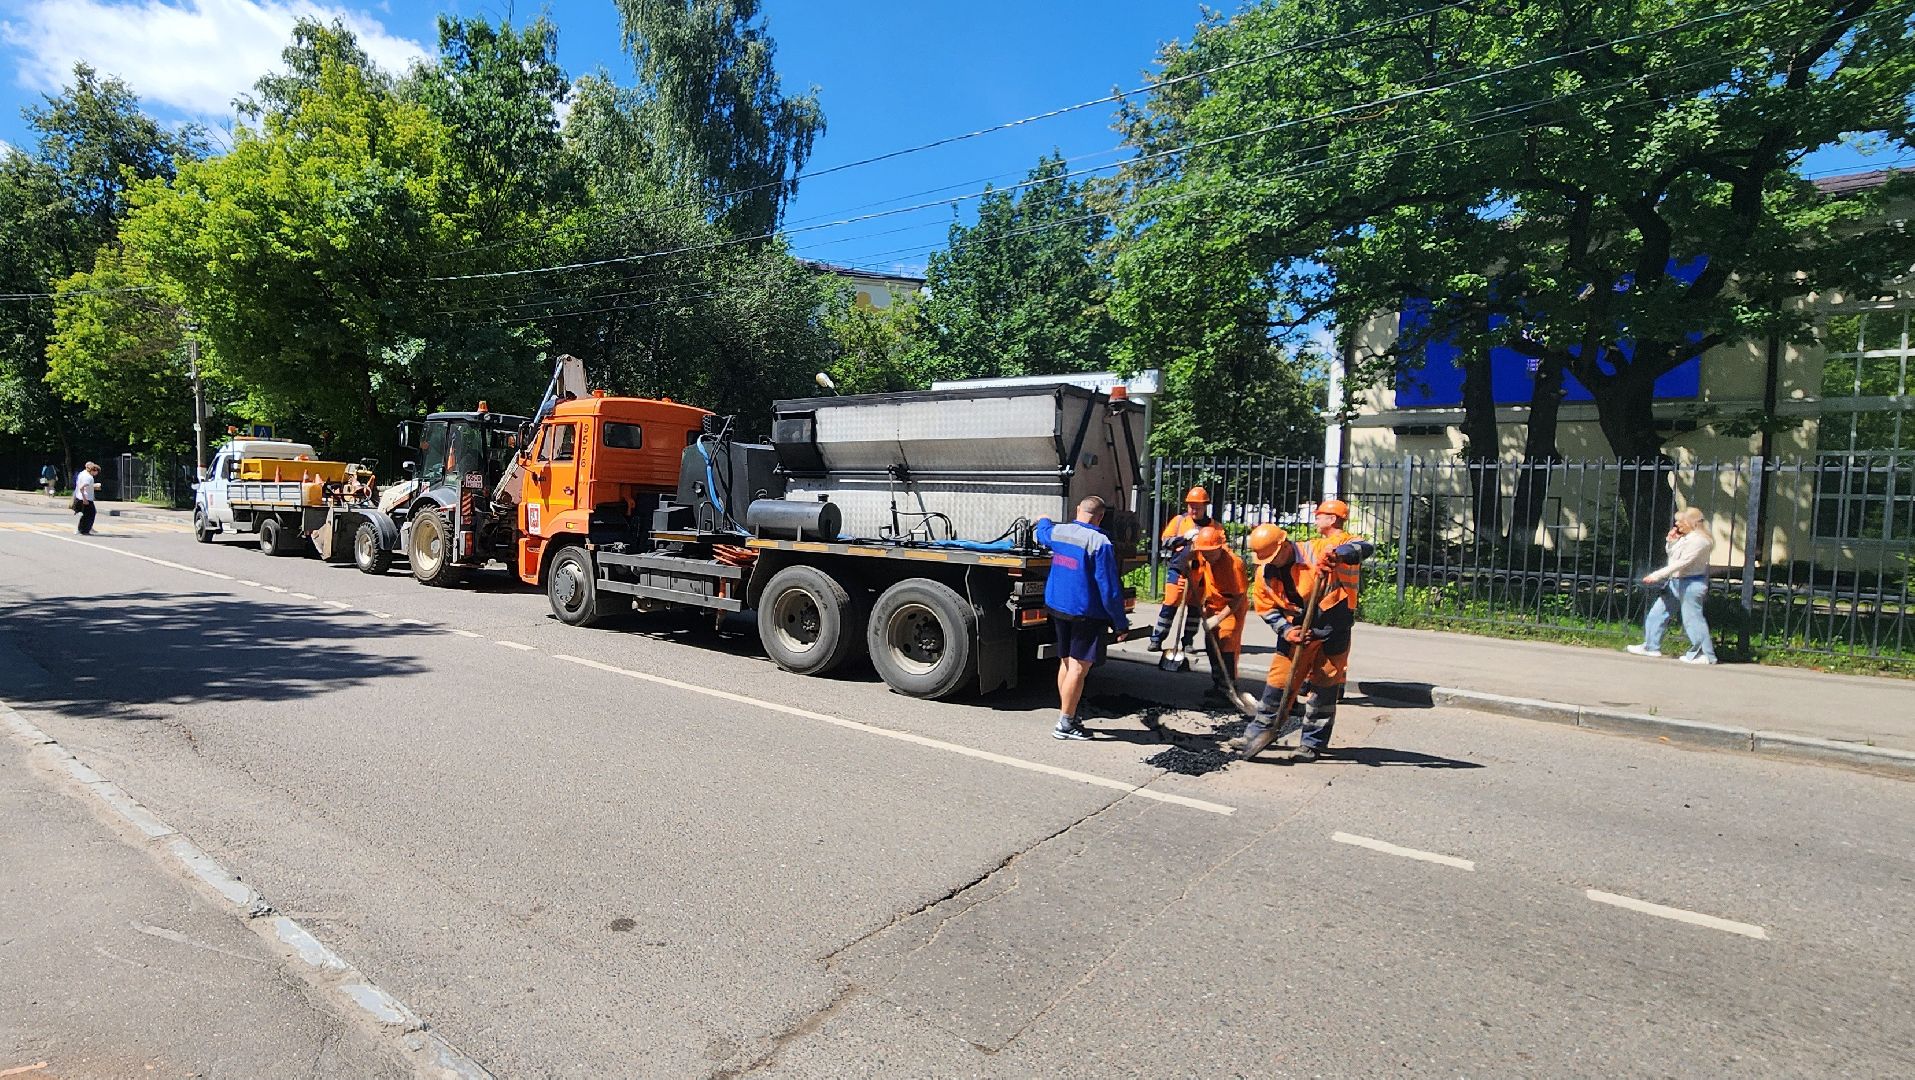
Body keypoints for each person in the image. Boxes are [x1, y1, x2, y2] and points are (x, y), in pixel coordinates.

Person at [1035, 495, 1130, 741]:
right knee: (1079, 667)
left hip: (1058, 607)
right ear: (1100, 517)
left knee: (1066, 663)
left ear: (1078, 510)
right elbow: (1108, 588)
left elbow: (1042, 533)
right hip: (1085, 613)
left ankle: (1069, 713)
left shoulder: (1059, 532)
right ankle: (1065, 724)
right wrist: (1120, 622)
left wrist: (1043, 519)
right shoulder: (1099, 542)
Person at [1627, 506, 1717, 665]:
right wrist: (1671, 542)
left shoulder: (1700, 541)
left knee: (1693, 619)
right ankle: (1651, 646)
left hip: (1691, 583)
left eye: (1680, 522)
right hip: (1675, 582)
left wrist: (1656, 575)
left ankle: (1704, 655)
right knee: (1657, 614)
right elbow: (1674, 557)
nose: (1676, 525)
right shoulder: (1687, 538)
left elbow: (1683, 562)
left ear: (1691, 522)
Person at [1147, 486, 1217, 653]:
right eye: (1191, 505)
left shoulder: (1214, 527)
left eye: (1198, 506)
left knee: (1195, 609)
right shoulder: (1179, 521)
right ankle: (1157, 639)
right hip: (1179, 570)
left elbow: (1219, 548)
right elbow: (1165, 541)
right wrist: (1182, 539)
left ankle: (1188, 642)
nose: (1194, 509)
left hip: (1201, 574)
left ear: (1205, 506)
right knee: (1170, 604)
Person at [1185, 524, 1248, 688]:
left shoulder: (1234, 565)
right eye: (1204, 552)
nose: (1206, 555)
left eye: (1210, 552)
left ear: (1220, 547)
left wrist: (1219, 618)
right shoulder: (1202, 554)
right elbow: (1189, 563)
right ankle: (1217, 684)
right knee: (1211, 644)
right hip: (1213, 604)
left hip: (1231, 607)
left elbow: (1238, 597)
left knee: (1227, 644)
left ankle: (1229, 686)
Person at [72, 461, 101, 535]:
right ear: (94, 471)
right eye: (97, 472)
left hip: (83, 497)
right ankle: (84, 530)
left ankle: (83, 529)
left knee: (86, 514)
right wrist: (85, 499)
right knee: (90, 514)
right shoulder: (89, 477)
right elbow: (82, 487)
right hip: (86, 498)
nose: (97, 474)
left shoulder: (83, 473)